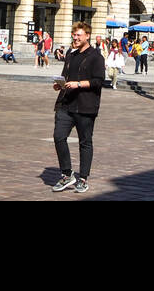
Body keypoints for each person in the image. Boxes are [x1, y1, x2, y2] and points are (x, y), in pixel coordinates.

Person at [52, 22, 106, 194]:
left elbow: (99, 81)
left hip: (86, 105)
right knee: (59, 137)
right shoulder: (70, 53)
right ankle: (67, 174)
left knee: (85, 142)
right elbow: (66, 75)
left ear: (87, 36)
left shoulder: (96, 57)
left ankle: (83, 178)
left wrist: (79, 84)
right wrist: (60, 84)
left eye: (79, 35)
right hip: (66, 103)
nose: (75, 38)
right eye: (74, 35)